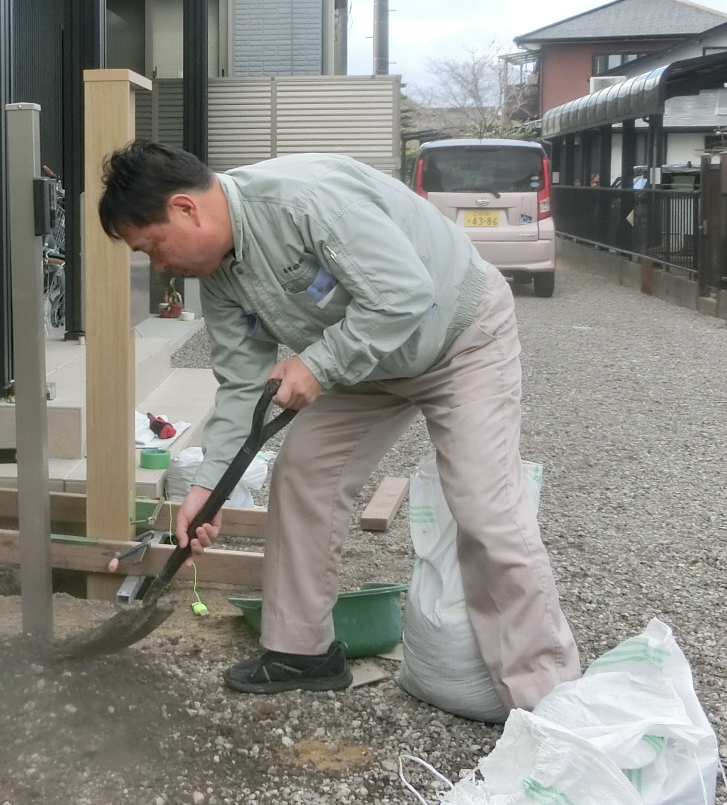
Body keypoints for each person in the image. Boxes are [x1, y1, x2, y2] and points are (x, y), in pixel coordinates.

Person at [98, 142, 581, 702]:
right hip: (362, 362)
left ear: (186, 209)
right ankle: (301, 652)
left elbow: (404, 294)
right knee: (303, 473)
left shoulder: (305, 200)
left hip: (459, 339)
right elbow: (241, 387)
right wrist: (207, 488)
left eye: (154, 248)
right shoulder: (219, 278)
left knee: (484, 504)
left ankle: (548, 695)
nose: (159, 267)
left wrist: (318, 365)